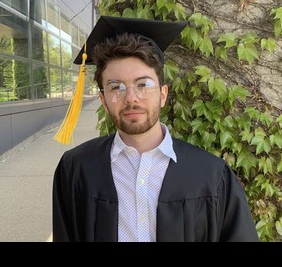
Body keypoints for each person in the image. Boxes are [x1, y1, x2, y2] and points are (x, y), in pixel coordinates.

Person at [52, 15, 260, 242]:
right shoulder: (76, 169)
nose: (131, 98)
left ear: (163, 95)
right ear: (103, 99)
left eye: (143, 84)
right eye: (116, 87)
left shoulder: (211, 175)